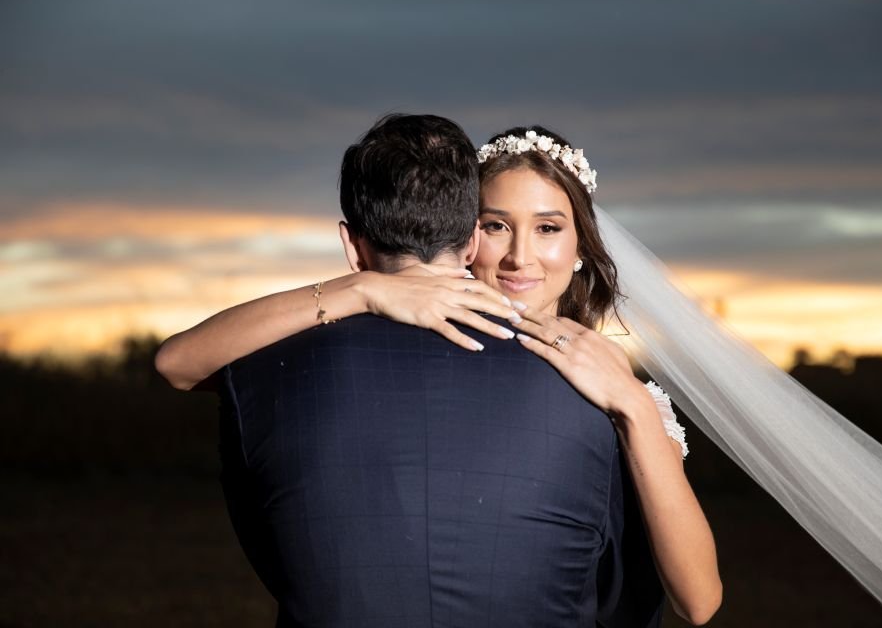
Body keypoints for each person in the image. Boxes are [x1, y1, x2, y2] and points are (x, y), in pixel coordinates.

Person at [181, 113, 721, 627]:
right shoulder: (392, 341)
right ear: (467, 239)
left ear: (581, 245)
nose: (519, 258)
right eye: (496, 226)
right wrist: (366, 291)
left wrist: (632, 404)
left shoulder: (618, 392)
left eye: (548, 228)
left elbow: (698, 601)